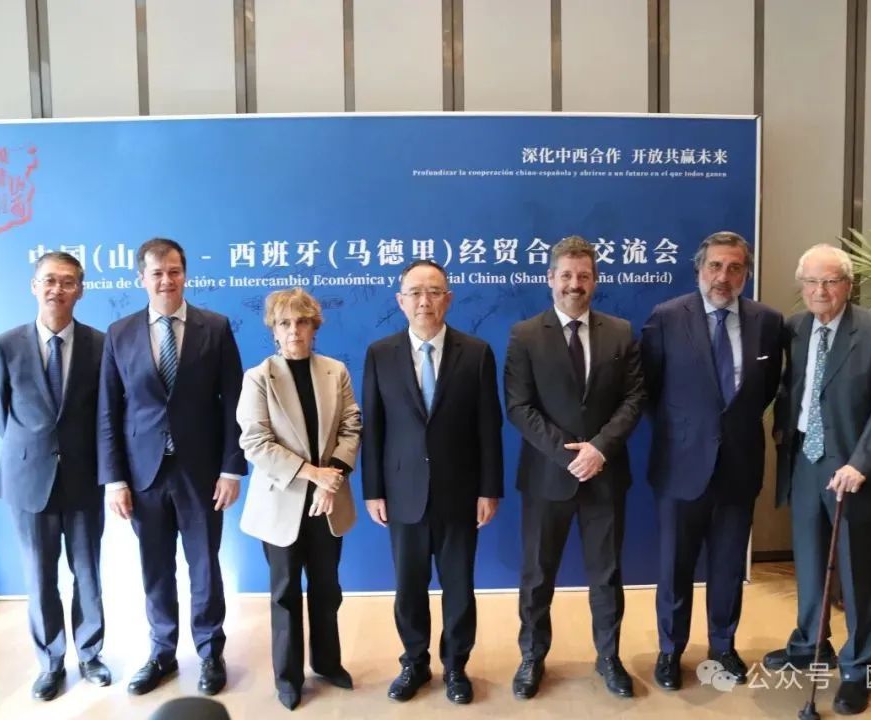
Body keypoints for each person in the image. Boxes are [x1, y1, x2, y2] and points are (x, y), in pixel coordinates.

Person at [98, 237, 245, 696]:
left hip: (201, 472)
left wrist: (231, 469)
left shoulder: (214, 327)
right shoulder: (119, 333)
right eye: (157, 273)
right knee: (156, 568)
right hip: (142, 475)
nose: (167, 280)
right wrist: (114, 479)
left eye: (175, 271)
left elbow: (234, 402)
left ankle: (210, 652)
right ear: (141, 278)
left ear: (185, 275)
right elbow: (109, 411)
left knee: (204, 567)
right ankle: (162, 653)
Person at [763, 244, 871, 715]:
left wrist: (861, 463)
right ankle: (810, 645)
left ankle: (858, 668)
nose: (820, 291)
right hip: (806, 461)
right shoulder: (795, 328)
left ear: (848, 285)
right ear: (801, 285)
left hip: (854, 471)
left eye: (830, 281)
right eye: (811, 281)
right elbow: (792, 388)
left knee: (859, 573)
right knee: (809, 562)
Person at [504, 235, 646, 699]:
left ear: (595, 280)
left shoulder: (621, 332)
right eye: (566, 275)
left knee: (607, 574)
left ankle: (609, 657)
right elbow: (518, 406)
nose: (574, 284)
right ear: (550, 278)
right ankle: (532, 657)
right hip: (547, 476)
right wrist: (570, 455)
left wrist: (599, 449)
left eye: (583, 276)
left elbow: (634, 398)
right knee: (537, 575)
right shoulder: (525, 335)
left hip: (605, 473)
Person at [640, 231, 783, 690]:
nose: (724, 277)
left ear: (747, 274)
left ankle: (723, 645)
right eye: (715, 266)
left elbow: (766, 388)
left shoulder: (768, 322)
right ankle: (670, 650)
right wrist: (687, 432)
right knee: (674, 567)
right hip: (680, 465)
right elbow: (649, 390)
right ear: (699, 269)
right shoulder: (666, 317)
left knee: (728, 566)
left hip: (738, 466)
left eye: (735, 268)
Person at [361, 260, 503, 705]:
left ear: (448, 299)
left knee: (459, 587)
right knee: (409, 587)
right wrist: (372, 490)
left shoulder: (476, 352)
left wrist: (489, 488)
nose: (425, 301)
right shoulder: (380, 353)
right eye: (415, 292)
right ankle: (414, 663)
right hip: (402, 493)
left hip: (460, 492)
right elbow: (373, 427)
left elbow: (489, 427)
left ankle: (456, 666)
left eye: (434, 292)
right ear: (400, 301)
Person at [0, 251, 110, 701]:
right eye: (50, 280)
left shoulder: (100, 344)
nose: (58, 289)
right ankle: (51, 663)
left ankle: (91, 654)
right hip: (28, 479)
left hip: (83, 477)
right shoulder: (5, 345)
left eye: (68, 281)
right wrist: (33, 451)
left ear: (81, 290)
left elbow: (106, 413)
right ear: (34, 286)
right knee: (39, 576)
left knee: (88, 572)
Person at [236, 289, 361, 711]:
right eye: (285, 323)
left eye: (302, 322)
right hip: (282, 502)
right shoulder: (258, 377)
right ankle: (288, 678)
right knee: (285, 592)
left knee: (327, 588)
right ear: (274, 330)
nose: (294, 331)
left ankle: (327, 663)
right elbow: (255, 442)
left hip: (328, 501)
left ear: (314, 327)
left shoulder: (335, 371)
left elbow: (351, 427)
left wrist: (331, 480)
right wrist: (312, 474)